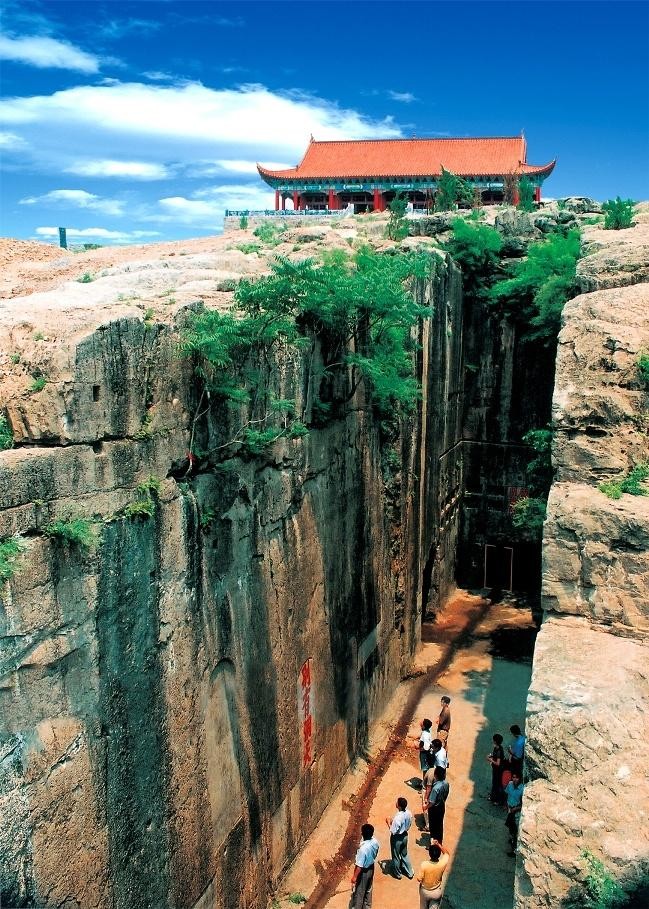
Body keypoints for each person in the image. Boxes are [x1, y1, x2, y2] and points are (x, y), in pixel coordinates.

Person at [351, 823, 380, 909]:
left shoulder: (363, 850)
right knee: (368, 889)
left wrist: (354, 877)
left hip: (363, 872)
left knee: (360, 892)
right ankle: (367, 907)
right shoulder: (375, 841)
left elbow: (359, 866)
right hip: (371, 868)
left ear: (362, 834)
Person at [385, 797, 414, 880]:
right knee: (404, 854)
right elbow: (408, 823)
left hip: (397, 839)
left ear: (399, 806)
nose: (396, 803)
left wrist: (388, 822)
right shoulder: (408, 813)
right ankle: (410, 872)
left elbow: (393, 831)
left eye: (397, 802)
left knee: (396, 856)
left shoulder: (398, 817)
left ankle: (398, 874)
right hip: (405, 836)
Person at [416, 840, 449, 909]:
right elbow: (446, 853)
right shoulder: (442, 863)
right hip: (436, 892)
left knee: (423, 907)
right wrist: (438, 844)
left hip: (425, 891)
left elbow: (419, 879)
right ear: (439, 854)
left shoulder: (424, 864)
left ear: (429, 854)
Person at [424, 765, 449, 843]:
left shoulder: (435, 788)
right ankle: (439, 841)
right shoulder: (446, 784)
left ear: (435, 775)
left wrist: (425, 807)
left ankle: (434, 843)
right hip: (442, 806)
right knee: (439, 825)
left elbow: (432, 802)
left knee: (433, 826)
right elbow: (446, 794)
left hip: (434, 809)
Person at [504, 772, 524, 854]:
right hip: (510, 809)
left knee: (515, 830)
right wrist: (507, 806)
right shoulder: (510, 784)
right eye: (513, 777)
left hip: (517, 812)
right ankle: (511, 839)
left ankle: (514, 850)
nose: (515, 779)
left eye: (517, 778)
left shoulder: (522, 789)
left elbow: (523, 804)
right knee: (510, 826)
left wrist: (515, 808)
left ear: (520, 779)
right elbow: (507, 794)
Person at [487, 733, 505, 804]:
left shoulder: (499, 751)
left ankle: (497, 799)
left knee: (497, 784)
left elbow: (498, 763)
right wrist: (491, 756)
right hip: (495, 769)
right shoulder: (497, 748)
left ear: (495, 741)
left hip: (498, 770)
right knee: (495, 783)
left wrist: (490, 760)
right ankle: (493, 796)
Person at [417, 718, 434, 784]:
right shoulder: (427, 732)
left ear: (423, 726)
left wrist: (421, 749)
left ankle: (424, 785)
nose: (420, 722)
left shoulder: (424, 734)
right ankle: (424, 782)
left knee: (425, 769)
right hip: (428, 752)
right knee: (427, 768)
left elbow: (425, 746)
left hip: (424, 753)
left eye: (422, 722)